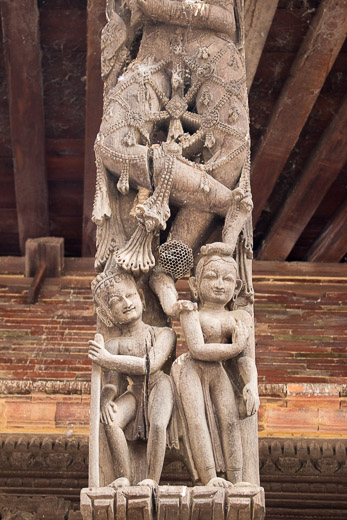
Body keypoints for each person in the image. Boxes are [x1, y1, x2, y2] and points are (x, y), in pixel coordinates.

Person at [171, 242, 260, 487]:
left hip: (217, 370)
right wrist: (233, 347)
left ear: (237, 287)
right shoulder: (192, 313)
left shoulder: (240, 317)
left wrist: (252, 384)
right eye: (211, 277)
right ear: (195, 285)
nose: (220, 284)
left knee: (229, 420)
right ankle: (209, 477)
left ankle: (237, 478)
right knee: (197, 420)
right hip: (190, 369)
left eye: (227, 279)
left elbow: (245, 359)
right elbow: (198, 350)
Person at [88, 267, 176, 486]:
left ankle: (151, 479)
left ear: (142, 298)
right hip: (134, 392)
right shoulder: (113, 345)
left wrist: (106, 359)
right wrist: (105, 401)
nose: (126, 303)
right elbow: (112, 384)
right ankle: (123, 477)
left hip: (159, 385)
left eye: (130, 295)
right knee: (112, 420)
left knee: (158, 423)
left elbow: (150, 365)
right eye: (116, 301)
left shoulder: (164, 334)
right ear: (107, 314)